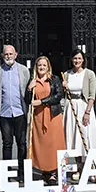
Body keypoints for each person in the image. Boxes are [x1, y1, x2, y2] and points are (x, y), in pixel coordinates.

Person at [0, 45, 31, 181]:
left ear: (16, 55)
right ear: (3, 56)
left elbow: (28, 90)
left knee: (21, 143)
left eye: (11, 54)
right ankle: (6, 173)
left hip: (20, 112)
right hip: (5, 113)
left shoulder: (24, 70)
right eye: (6, 54)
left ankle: (22, 173)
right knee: (7, 143)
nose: (8, 56)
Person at [27, 56, 65, 184]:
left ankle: (54, 172)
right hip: (38, 117)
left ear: (48, 66)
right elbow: (28, 100)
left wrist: (42, 102)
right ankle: (44, 171)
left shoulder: (54, 79)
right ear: (36, 67)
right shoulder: (33, 81)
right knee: (41, 144)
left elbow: (58, 96)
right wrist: (28, 89)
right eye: (39, 65)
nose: (42, 67)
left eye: (44, 65)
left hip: (53, 116)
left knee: (54, 144)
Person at [62, 49, 96, 164]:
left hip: (84, 107)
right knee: (73, 136)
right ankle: (79, 165)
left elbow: (92, 95)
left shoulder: (89, 74)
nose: (77, 61)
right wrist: (63, 86)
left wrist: (87, 112)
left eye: (79, 58)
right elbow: (64, 94)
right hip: (71, 107)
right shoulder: (66, 74)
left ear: (83, 60)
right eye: (75, 58)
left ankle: (91, 165)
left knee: (86, 135)